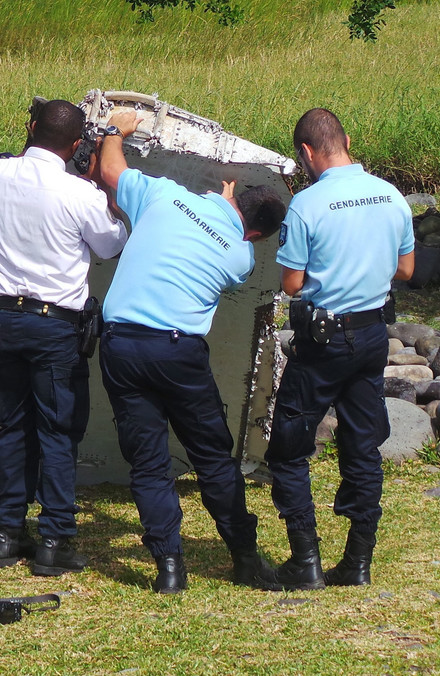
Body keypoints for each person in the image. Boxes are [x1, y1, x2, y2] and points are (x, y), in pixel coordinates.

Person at [95, 109, 288, 594]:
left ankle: (169, 567)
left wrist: (117, 129)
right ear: (258, 234)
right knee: (213, 458)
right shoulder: (240, 255)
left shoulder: (164, 196)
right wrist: (229, 216)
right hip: (180, 354)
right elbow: (228, 236)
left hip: (123, 344)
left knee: (148, 460)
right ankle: (244, 557)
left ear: (235, 196)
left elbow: (110, 172)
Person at [264, 108, 416, 589]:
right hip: (373, 335)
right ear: (347, 140)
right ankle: (358, 561)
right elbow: (406, 271)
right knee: (362, 444)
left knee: (289, 448)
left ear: (306, 153)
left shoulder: (308, 205)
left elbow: (291, 284)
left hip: (323, 340)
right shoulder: (391, 196)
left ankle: (304, 561)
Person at [0, 99, 128, 576]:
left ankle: (6, 534)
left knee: (13, 425)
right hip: (54, 324)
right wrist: (105, 188)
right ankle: (54, 538)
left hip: (3, 319)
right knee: (59, 431)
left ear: (30, 129)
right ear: (78, 145)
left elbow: (16, 170)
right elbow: (111, 244)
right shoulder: (79, 194)